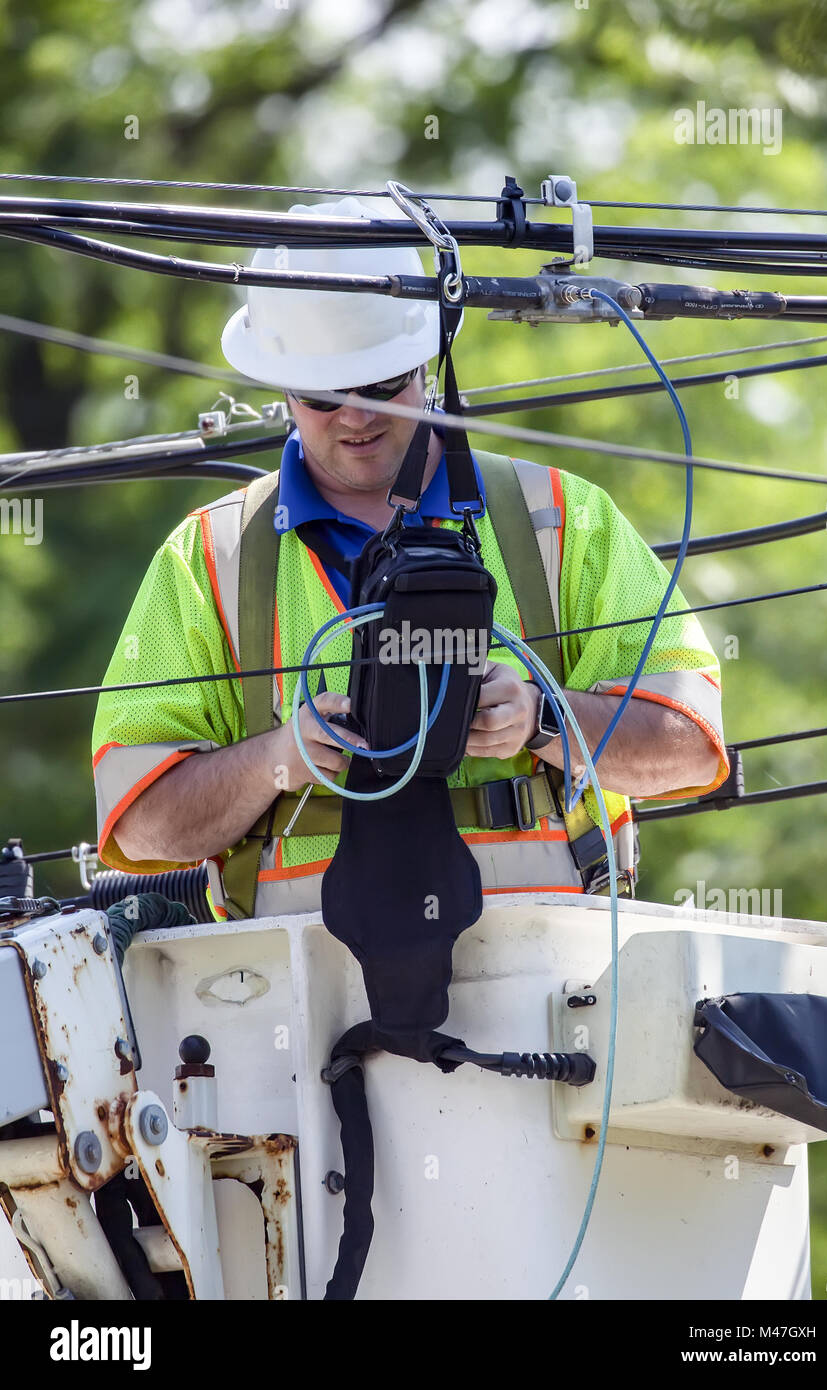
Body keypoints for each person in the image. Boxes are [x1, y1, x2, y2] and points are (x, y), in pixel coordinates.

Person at [92, 198, 727, 920]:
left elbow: (693, 744)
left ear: (425, 363)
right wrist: (278, 759)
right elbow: (138, 823)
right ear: (284, 391)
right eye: (326, 396)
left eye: (384, 383)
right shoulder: (209, 558)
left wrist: (544, 720)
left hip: (553, 991)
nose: (357, 416)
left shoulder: (560, 517)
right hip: (293, 997)